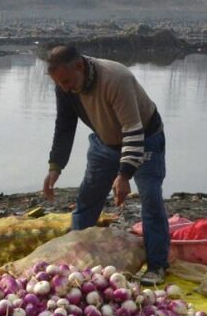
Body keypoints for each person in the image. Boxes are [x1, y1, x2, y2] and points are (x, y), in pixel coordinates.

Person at [41, 45, 169, 286]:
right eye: (60, 84)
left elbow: (133, 129)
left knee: (151, 199)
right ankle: (76, 260)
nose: (65, 87)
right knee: (87, 198)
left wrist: (124, 174)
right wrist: (55, 166)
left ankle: (157, 265)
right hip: (104, 143)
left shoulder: (116, 78)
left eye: (67, 81)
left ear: (79, 65)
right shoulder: (65, 85)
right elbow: (65, 126)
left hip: (145, 140)